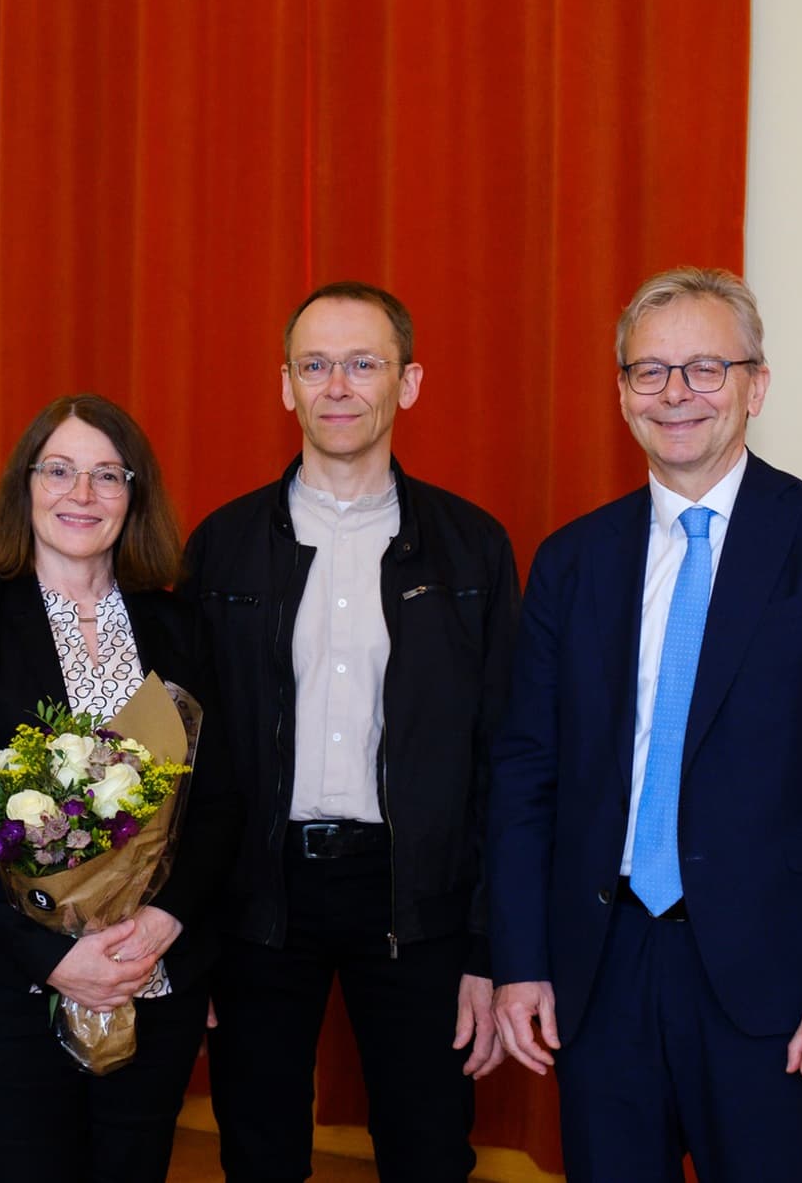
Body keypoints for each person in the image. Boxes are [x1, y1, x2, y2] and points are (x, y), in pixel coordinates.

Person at [489, 267, 802, 1181]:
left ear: (755, 385)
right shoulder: (573, 561)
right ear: (622, 394)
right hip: (601, 971)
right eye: (650, 372)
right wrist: (520, 960)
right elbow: (528, 774)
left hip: (771, 982)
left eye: (705, 368)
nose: (675, 393)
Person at [184, 282, 519, 1182]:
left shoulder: (473, 549)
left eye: (363, 363)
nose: (338, 385)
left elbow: (503, 760)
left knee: (427, 1148)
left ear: (407, 383)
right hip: (260, 889)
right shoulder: (218, 547)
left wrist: (491, 948)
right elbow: (180, 758)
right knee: (256, 1148)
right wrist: (188, 929)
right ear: (284, 385)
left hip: (418, 895)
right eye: (315, 364)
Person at [0, 394, 235, 1182]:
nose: (81, 495)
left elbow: (224, 797)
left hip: (147, 977)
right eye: (58, 470)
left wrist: (162, 924)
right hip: (4, 985)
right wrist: (56, 957)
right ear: (26, 487)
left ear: (136, 494)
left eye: (106, 475)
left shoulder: (181, 627)